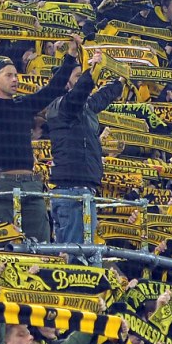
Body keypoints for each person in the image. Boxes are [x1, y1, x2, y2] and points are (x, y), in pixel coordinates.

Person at [0, 28, 80, 243]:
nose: (15, 79)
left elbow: (54, 88)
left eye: (16, 75)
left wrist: (71, 54)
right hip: (1, 186)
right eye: (8, 75)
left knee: (41, 245)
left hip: (30, 184)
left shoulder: (23, 105)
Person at [45, 50, 124, 248]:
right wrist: (92, 71)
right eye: (78, 76)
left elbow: (100, 97)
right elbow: (80, 93)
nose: (84, 80)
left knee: (80, 253)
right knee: (75, 256)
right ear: (65, 83)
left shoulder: (84, 108)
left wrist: (120, 82)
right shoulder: (61, 106)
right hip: (71, 193)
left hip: (82, 190)